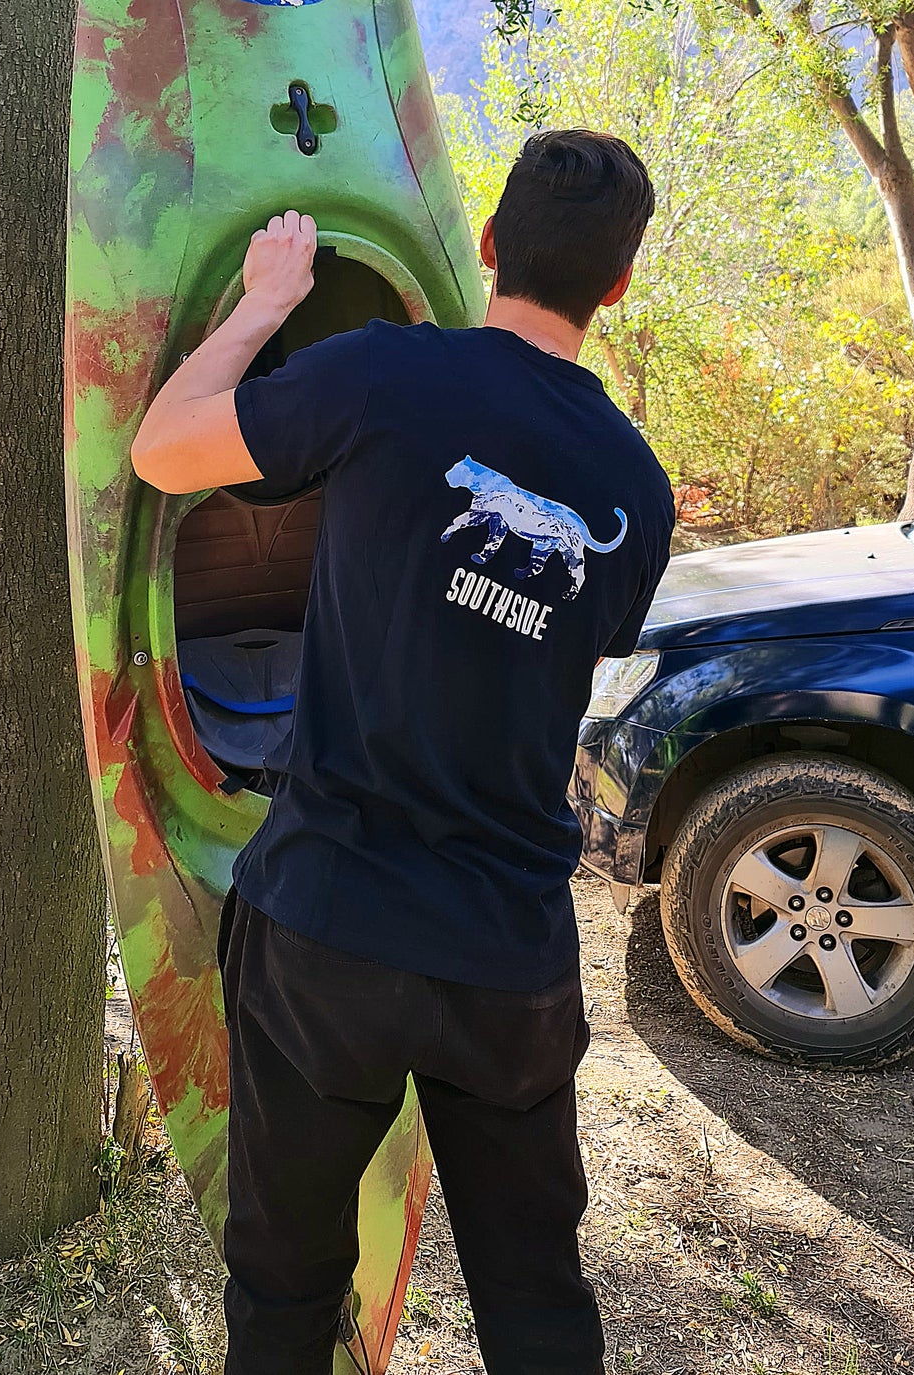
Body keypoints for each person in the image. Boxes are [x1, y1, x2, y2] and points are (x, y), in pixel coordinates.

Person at [132, 130, 674, 1375]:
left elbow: (165, 450)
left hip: (327, 922)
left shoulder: (381, 376)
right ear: (617, 284)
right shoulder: (634, 491)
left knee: (280, 1282)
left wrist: (263, 305)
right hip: (505, 952)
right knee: (536, 1299)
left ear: (487, 247)